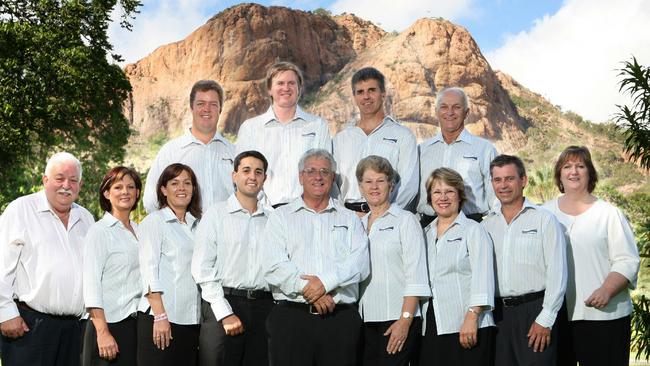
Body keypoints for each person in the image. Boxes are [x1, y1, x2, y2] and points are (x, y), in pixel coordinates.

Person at [264, 149, 369, 365]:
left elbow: (359, 264)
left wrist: (324, 283)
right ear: (300, 177)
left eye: (324, 171)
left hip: (339, 320)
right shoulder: (280, 217)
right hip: (292, 319)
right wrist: (312, 292)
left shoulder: (350, 219)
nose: (318, 176)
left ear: (332, 177)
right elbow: (274, 265)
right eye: (311, 171)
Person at [543, 146, 639, 366]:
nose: (573, 171)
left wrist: (607, 290)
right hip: (557, 317)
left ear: (590, 173)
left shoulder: (608, 213)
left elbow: (627, 260)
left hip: (604, 315)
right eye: (567, 166)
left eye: (580, 166)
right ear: (559, 174)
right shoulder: (544, 214)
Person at [0, 151, 94, 366]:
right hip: (29, 326)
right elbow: (1, 264)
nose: (66, 185)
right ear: (45, 180)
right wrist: (5, 312)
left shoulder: (86, 218)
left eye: (73, 180)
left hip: (74, 330)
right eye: (59, 178)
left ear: (80, 184)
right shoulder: (21, 210)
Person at [481, 155, 567, 365]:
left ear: (523, 180)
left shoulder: (544, 220)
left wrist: (545, 319)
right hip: (497, 315)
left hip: (535, 311)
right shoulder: (485, 226)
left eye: (509, 179)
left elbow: (558, 272)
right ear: (492, 183)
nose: (503, 185)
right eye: (497, 180)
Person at [192, 150, 273, 366]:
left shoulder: (273, 219)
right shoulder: (216, 215)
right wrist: (224, 313)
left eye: (258, 172)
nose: (252, 177)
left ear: (265, 178)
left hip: (264, 308)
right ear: (234, 175)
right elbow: (202, 268)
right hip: (224, 304)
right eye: (246, 170)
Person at [355, 155, 430, 366]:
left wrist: (405, 319)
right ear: (360, 187)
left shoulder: (406, 221)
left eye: (380, 180)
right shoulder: (356, 226)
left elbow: (416, 274)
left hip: (397, 319)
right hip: (365, 321)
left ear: (391, 185)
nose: (374, 187)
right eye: (368, 182)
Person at [419, 167, 495, 365]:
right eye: (437, 192)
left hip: (467, 324)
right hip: (433, 323)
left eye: (449, 191)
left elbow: (483, 275)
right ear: (430, 198)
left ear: (460, 196)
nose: (443, 197)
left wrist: (472, 317)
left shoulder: (473, 230)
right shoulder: (424, 234)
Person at [236, 61, 332, 208]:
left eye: (291, 83)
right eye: (280, 83)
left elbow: (325, 172)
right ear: (269, 89)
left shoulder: (318, 126)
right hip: (265, 213)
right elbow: (244, 175)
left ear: (299, 88)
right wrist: (263, 208)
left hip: (307, 211)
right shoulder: (250, 128)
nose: (286, 88)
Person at [137, 163, 202, 365]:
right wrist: (160, 316)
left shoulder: (198, 225)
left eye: (187, 183)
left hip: (191, 320)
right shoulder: (154, 222)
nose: (181, 188)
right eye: (175, 183)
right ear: (164, 190)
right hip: (162, 319)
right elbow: (149, 272)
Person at [334, 67, 418, 214]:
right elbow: (333, 184)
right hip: (348, 219)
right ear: (354, 97)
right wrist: (344, 216)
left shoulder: (403, 136)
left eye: (372, 90)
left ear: (383, 94)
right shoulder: (341, 139)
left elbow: (409, 185)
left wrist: (384, 215)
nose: (366, 96)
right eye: (360, 92)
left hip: (387, 218)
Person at [143, 80, 235, 213]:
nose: (207, 109)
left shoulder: (234, 152)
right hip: (184, 233)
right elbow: (151, 200)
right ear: (192, 107)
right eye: (200, 104)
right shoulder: (171, 152)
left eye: (213, 104)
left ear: (220, 109)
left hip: (226, 233)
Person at [82, 167, 142, 366]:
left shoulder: (141, 231)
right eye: (118, 187)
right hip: (109, 325)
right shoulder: (99, 232)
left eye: (130, 187)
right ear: (107, 194)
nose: (125, 192)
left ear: (137, 193)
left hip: (136, 324)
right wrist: (103, 332)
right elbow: (91, 285)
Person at [418, 87, 497, 226]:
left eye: (456, 107)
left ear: (466, 112)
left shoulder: (484, 149)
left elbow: (496, 199)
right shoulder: (421, 151)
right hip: (427, 226)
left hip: (471, 225)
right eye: (444, 107)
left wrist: (487, 229)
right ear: (436, 111)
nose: (450, 112)